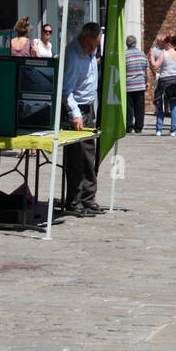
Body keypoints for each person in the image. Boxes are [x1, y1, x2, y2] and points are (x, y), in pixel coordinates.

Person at [61, 22, 105, 216]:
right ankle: (74, 200)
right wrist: (75, 114)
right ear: (85, 37)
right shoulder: (72, 54)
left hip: (89, 108)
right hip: (76, 111)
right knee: (76, 158)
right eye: (92, 45)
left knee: (89, 156)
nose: (93, 50)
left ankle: (88, 198)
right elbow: (66, 90)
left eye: (96, 47)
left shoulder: (89, 52)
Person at [152, 36, 176, 137]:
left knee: (161, 105)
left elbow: (155, 66)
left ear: (168, 44)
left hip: (164, 80)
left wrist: (151, 58)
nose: (163, 46)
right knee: (174, 105)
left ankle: (159, 129)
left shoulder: (164, 53)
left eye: (164, 44)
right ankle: (173, 130)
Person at [125, 34, 149, 134]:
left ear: (127, 44)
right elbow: (146, 70)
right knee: (140, 107)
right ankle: (139, 127)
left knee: (129, 107)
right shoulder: (142, 54)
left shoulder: (124, 55)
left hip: (128, 85)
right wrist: (147, 82)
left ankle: (129, 126)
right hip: (140, 84)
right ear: (135, 43)